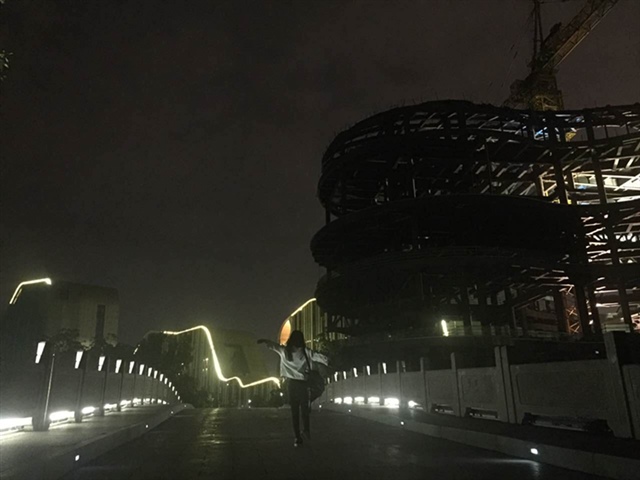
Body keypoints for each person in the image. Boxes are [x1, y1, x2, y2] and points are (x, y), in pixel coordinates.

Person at [257, 330, 328, 447]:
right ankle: (306, 430)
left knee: (294, 411)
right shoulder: (305, 351)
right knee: (304, 409)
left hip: (291, 385)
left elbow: (273, 346)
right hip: (303, 384)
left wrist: (265, 341)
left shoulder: (285, 351)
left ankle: (297, 437)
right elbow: (319, 357)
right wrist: (327, 360)